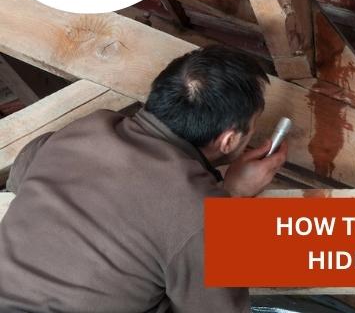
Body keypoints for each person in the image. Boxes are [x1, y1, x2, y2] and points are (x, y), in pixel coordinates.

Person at [0, 45, 287, 312]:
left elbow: (23, 169)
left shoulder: (89, 126)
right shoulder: (198, 215)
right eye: (251, 128)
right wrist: (230, 200)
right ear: (228, 140)